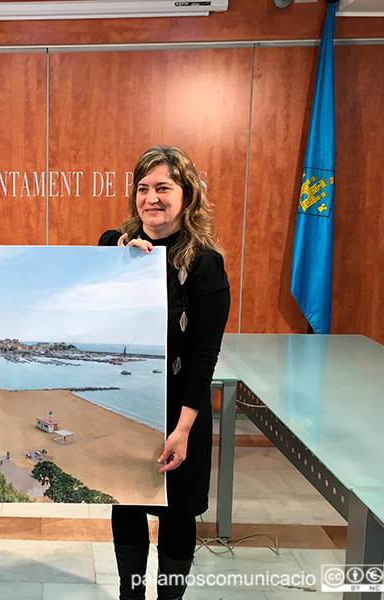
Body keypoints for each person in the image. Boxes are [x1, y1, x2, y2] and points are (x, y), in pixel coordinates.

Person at [98, 146, 230, 600]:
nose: (151, 198)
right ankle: (129, 595)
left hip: (180, 412)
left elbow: (204, 355)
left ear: (186, 194)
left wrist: (184, 429)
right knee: (127, 506)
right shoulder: (119, 247)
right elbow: (100, 251)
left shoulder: (205, 263)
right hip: (143, 404)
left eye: (163, 188)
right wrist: (121, 254)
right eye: (143, 188)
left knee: (177, 515)